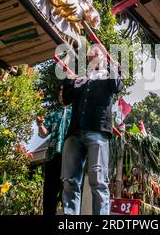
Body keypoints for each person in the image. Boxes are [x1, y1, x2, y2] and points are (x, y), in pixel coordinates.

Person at [61, 45, 123, 215]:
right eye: (88, 56)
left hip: (97, 130)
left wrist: (112, 66)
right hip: (74, 132)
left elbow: (117, 87)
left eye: (95, 53)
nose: (90, 57)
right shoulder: (81, 77)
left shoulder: (109, 72)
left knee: (98, 181)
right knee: (69, 180)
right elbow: (66, 99)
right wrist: (68, 79)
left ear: (103, 56)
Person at [36, 86, 72, 215]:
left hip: (71, 156)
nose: (61, 96)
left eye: (64, 93)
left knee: (70, 191)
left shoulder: (77, 111)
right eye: (60, 94)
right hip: (53, 155)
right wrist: (40, 125)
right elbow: (44, 133)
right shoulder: (54, 113)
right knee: (50, 192)